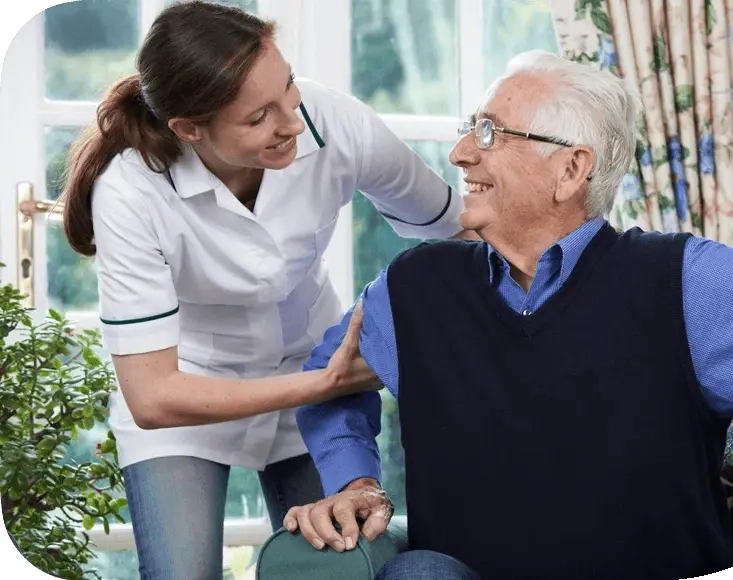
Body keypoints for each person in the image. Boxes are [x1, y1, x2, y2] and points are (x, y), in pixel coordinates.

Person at [287, 50, 733, 580]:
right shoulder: (413, 288)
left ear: (570, 170)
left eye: (489, 132)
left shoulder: (685, 283)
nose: (460, 152)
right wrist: (356, 481)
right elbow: (328, 382)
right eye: (468, 128)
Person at [57, 1, 472, 578]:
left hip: (308, 369)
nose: (293, 123)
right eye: (258, 119)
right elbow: (153, 398)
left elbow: (458, 229)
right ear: (189, 130)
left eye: (290, 88)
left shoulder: (333, 123)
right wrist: (323, 382)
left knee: (332, 569)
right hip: (189, 393)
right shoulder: (131, 191)